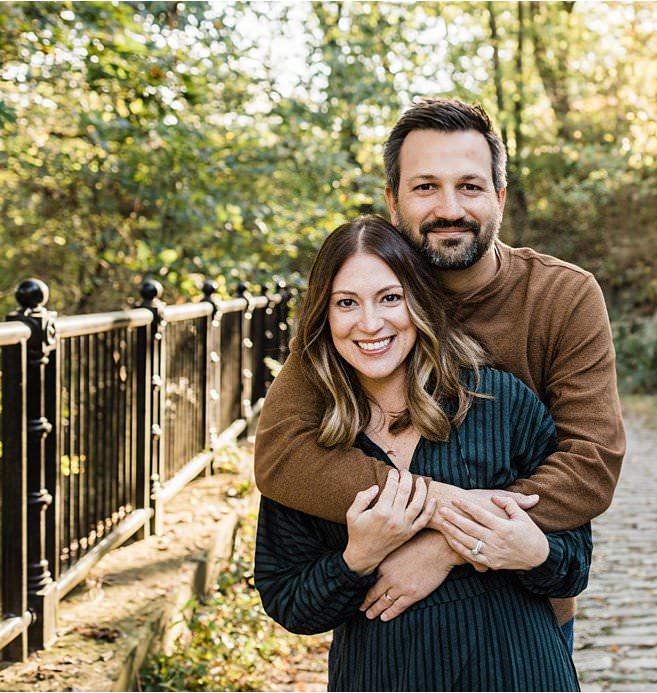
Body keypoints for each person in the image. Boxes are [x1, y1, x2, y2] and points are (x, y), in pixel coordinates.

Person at [254, 98, 625, 642]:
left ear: (499, 197)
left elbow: (592, 460)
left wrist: (447, 543)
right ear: (393, 201)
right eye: (426, 187)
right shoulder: (363, 305)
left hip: (523, 615)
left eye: (470, 186)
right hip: (391, 633)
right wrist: (440, 501)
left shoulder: (561, 295)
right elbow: (283, 453)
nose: (450, 207)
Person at [254, 216, 589, 691]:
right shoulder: (315, 443)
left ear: (419, 302)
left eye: (390, 298)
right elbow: (289, 601)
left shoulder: (500, 402)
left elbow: (574, 564)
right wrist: (357, 559)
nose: (370, 323)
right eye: (346, 303)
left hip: (520, 673)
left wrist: (532, 551)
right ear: (324, 317)